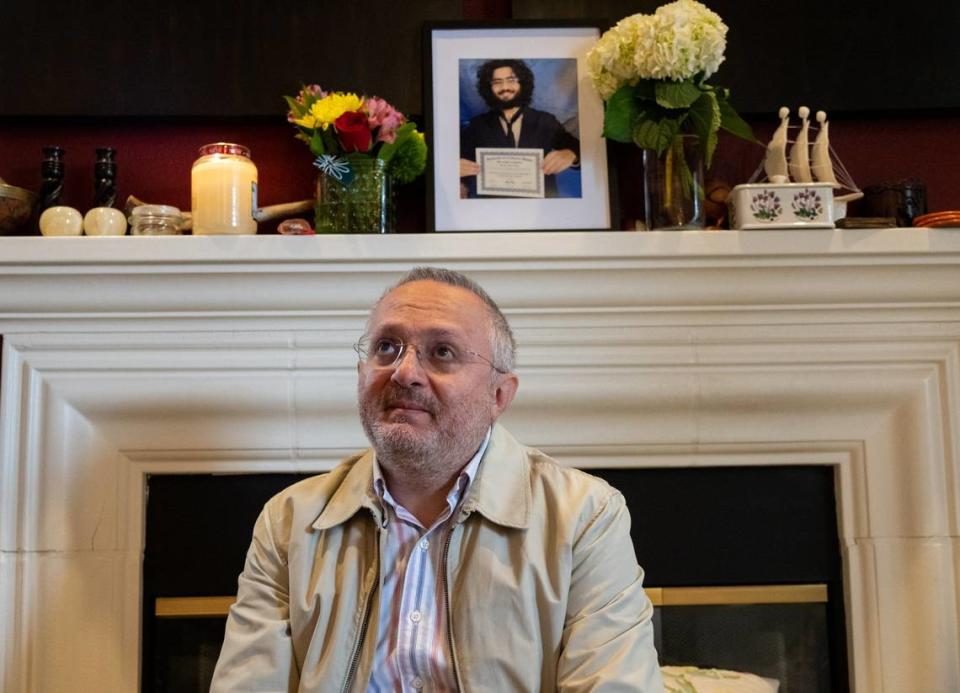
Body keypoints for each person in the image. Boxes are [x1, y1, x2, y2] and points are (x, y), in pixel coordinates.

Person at [210, 267, 664, 692]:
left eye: (442, 352)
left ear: (499, 394)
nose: (404, 372)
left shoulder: (584, 516)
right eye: (386, 347)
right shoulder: (290, 522)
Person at [460, 59, 580, 198]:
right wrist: (456, 174)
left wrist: (571, 154)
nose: (505, 87)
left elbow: (581, 150)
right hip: (491, 209)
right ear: (488, 88)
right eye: (497, 82)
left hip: (541, 209)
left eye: (511, 80)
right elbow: (457, 161)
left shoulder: (545, 121)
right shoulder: (476, 125)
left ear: (523, 83)